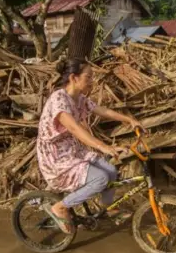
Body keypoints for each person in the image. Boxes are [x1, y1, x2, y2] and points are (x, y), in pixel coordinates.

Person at [37, 58, 143, 234]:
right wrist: (103, 147)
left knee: (110, 170)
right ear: (74, 78)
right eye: (88, 77)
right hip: (56, 157)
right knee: (100, 178)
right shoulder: (59, 100)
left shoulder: (79, 98)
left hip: (72, 150)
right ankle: (61, 207)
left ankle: (110, 208)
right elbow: (74, 128)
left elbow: (101, 110)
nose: (92, 81)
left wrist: (129, 120)